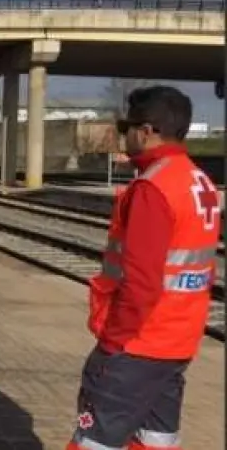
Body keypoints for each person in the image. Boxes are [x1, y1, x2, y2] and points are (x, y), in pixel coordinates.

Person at [68, 86, 220, 450]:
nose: (125, 135)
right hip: (177, 342)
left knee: (93, 441)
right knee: (155, 441)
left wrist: (113, 343)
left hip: (138, 343)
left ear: (147, 131)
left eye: (127, 127)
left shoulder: (154, 187)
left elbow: (141, 282)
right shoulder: (198, 180)